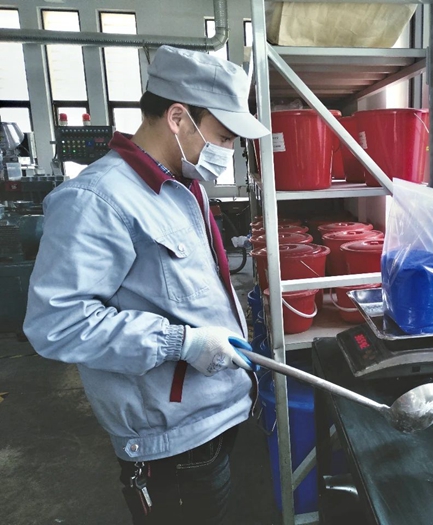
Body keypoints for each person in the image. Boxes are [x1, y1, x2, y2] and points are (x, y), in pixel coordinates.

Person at [24, 45, 270, 525]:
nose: (226, 152)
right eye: (222, 137)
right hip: (171, 444)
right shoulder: (97, 199)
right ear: (178, 118)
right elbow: (57, 323)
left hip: (212, 416)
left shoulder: (181, 187)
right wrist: (182, 342)